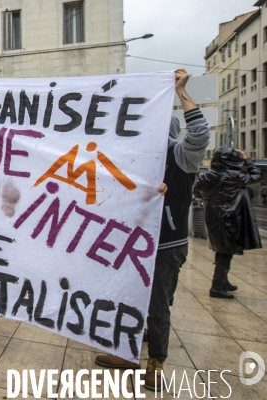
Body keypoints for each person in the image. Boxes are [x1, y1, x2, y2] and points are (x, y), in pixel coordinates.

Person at [95, 69, 210, 392]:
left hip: (165, 247)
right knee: (124, 300)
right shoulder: (136, 159)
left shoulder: (181, 158)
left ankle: (155, 362)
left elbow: (200, 134)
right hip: (131, 244)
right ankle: (126, 353)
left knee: (158, 307)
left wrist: (181, 92)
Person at [193, 147, 263, 299]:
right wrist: (246, 160)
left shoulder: (206, 175)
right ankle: (217, 287)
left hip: (212, 216)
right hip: (230, 217)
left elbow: (197, 192)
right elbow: (257, 176)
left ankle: (223, 281)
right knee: (226, 251)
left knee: (222, 248)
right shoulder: (233, 175)